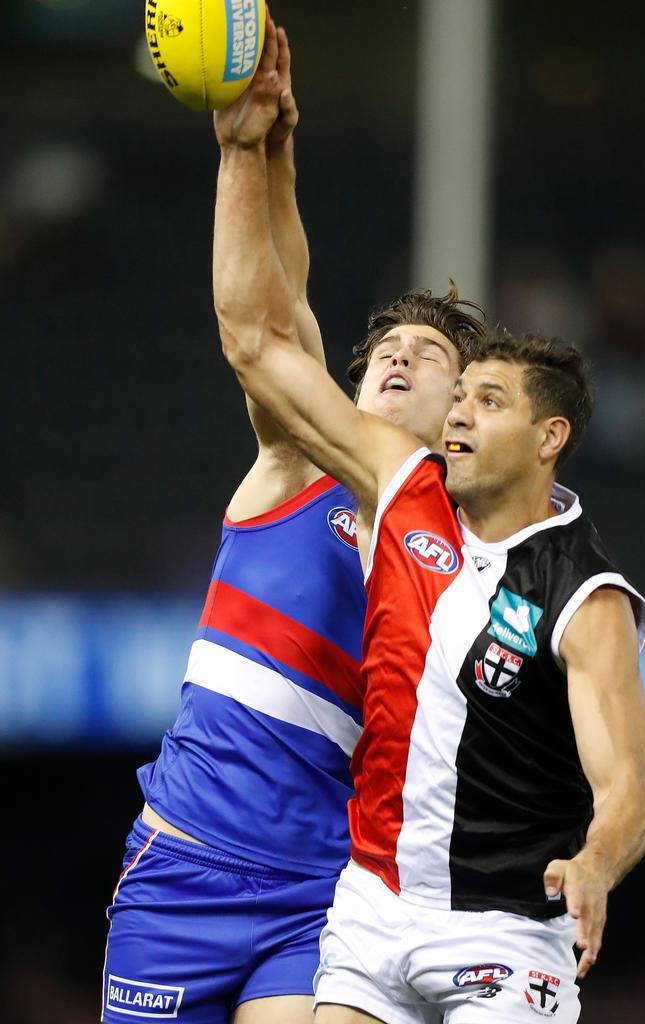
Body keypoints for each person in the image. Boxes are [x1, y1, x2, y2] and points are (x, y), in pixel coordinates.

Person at [212, 56, 645, 1024]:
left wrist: (596, 861)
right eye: (457, 398)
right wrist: (254, 152)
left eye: (485, 400)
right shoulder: (403, 494)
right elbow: (260, 341)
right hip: (370, 915)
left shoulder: (586, 595)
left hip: (500, 931)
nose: (456, 413)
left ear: (551, 439)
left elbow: (624, 789)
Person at [101, 19, 486, 1024]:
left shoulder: (464, 556)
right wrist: (258, 145)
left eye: (428, 355)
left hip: (317, 890)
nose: (397, 356)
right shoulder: (295, 462)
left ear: (463, 415)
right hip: (184, 864)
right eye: (385, 346)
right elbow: (267, 318)